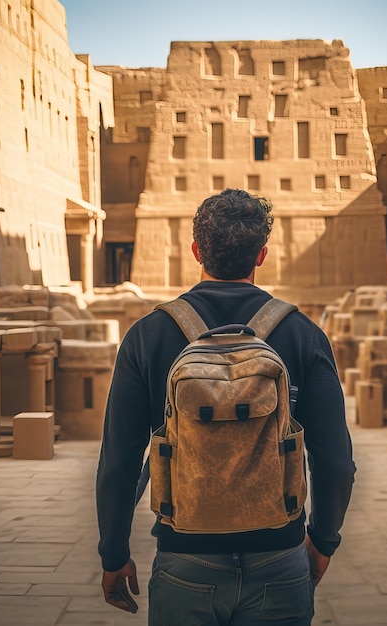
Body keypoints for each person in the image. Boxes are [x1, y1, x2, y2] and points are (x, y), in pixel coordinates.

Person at [96, 188, 356, 624]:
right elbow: (335, 461)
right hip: (280, 551)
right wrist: (323, 541)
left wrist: (113, 553)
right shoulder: (302, 334)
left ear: (197, 250)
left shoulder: (148, 335)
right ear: (262, 255)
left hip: (185, 557)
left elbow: (118, 462)